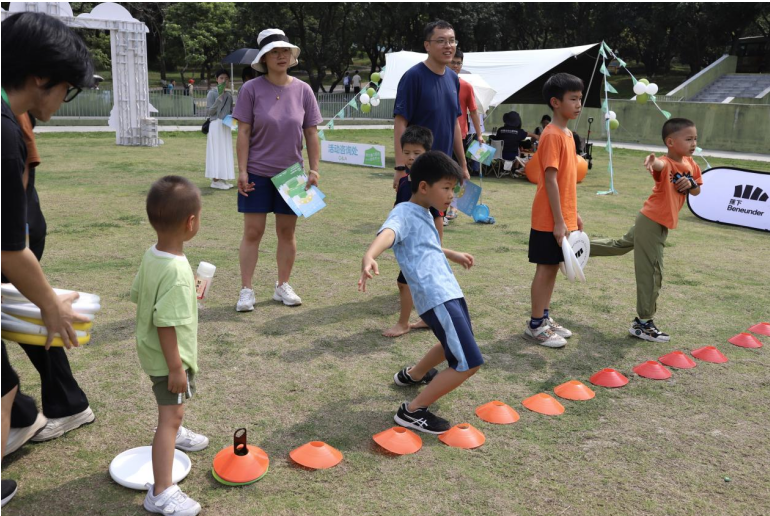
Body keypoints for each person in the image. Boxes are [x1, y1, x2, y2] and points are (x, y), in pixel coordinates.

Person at [1, 11, 94, 507]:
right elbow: (8, 248)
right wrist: (50, 306)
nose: (64, 98)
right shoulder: (6, 136)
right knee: (5, 385)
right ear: (40, 78)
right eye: (67, 88)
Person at [359, 151, 482, 434]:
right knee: (468, 362)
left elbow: (427, 245)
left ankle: (413, 375)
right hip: (436, 295)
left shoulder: (425, 211)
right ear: (424, 186)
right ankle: (412, 411)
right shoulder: (403, 211)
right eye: (447, 188)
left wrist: (451, 253)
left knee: (456, 344)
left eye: (454, 189)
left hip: (449, 290)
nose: (452, 195)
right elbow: (389, 233)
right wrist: (370, 255)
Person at [4, 111, 95, 458]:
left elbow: (22, 175)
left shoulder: (9, 117)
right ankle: (28, 411)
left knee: (29, 307)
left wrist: (19, 239)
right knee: (19, 310)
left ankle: (53, 407)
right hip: (14, 235)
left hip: (15, 236)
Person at [131, 176, 209, 516]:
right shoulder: (177, 269)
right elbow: (165, 323)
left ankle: (174, 433)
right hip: (168, 360)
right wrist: (176, 367)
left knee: (172, 413)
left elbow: (140, 295)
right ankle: (160, 491)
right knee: (170, 417)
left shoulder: (155, 255)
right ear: (191, 222)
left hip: (152, 352)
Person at [233, 29, 322, 312]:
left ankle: (282, 285)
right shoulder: (250, 90)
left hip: (292, 174)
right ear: (264, 58)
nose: (281, 55)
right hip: (257, 172)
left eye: (285, 50)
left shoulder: (303, 90)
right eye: (274, 51)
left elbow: (311, 133)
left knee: (287, 232)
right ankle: (246, 289)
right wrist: (242, 171)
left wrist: (314, 169)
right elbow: (243, 133)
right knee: (253, 232)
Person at [590, 118, 703, 342]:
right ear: (670, 142)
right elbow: (660, 165)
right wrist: (653, 161)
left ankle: (578, 247)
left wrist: (692, 185)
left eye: (695, 139)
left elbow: (697, 190)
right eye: (688, 139)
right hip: (651, 221)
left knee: (620, 246)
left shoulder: (691, 163)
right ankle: (643, 324)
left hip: (655, 222)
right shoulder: (665, 162)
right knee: (651, 272)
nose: (693, 143)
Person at [524, 73, 584, 349]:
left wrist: (574, 214)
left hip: (563, 216)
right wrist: (560, 221)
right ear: (555, 102)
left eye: (580, 98)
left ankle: (544, 318)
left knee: (553, 269)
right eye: (573, 99)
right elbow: (549, 179)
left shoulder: (569, 134)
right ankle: (536, 325)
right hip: (549, 218)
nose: (578, 104)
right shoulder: (551, 135)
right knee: (546, 269)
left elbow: (567, 180)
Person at [393, 20, 470, 228]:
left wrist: (462, 165)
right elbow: (400, 122)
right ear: (427, 45)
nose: (448, 46)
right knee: (408, 228)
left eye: (452, 41)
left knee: (437, 227)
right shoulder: (413, 77)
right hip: (416, 170)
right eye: (441, 41)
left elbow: (454, 123)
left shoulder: (453, 79)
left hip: (442, 170)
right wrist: (400, 167)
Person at [384, 126, 443, 337]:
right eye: (407, 152)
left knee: (404, 282)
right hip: (406, 243)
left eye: (417, 154)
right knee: (420, 282)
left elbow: (438, 215)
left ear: (426, 153)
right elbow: (398, 209)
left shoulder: (429, 185)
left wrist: (438, 245)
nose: (411, 158)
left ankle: (403, 323)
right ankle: (429, 318)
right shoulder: (402, 181)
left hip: (422, 244)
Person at [205, 69, 235, 190]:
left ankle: (222, 177)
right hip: (215, 124)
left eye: (226, 79)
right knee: (216, 151)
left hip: (225, 125)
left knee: (225, 151)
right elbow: (210, 111)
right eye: (221, 78)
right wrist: (219, 97)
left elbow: (230, 111)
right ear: (217, 79)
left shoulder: (229, 96)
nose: (224, 80)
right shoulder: (212, 93)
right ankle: (215, 180)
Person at [448, 49, 484, 148]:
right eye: (452, 62)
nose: (455, 66)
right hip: (440, 132)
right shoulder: (436, 83)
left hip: (460, 134)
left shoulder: (466, 86)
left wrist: (479, 135)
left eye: (459, 63)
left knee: (458, 163)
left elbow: (473, 111)